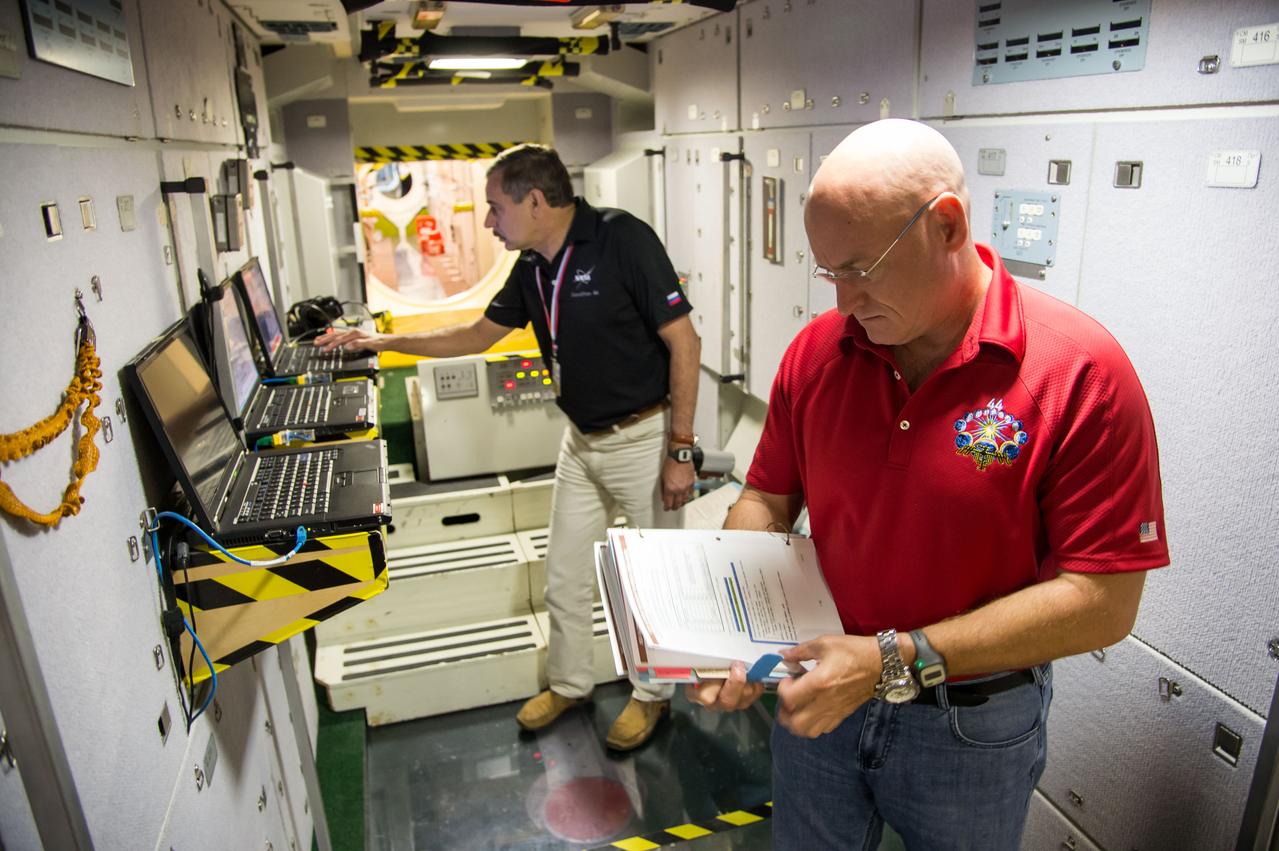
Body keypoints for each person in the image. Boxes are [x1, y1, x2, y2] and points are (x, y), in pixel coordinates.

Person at [686, 119, 1169, 849]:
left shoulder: (1078, 373)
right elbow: (766, 497)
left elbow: (1102, 601)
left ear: (945, 225)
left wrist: (888, 659)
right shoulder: (818, 354)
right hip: (820, 692)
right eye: (828, 273)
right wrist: (738, 627)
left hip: (967, 721)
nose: (842, 301)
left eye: (861, 268)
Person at [319, 144, 700, 750]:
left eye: (496, 208)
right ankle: (572, 683)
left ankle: (653, 696)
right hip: (581, 443)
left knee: (648, 582)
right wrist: (377, 344)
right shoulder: (531, 269)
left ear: (536, 201)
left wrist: (682, 449)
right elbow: (474, 335)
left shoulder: (623, 240)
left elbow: (685, 342)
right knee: (565, 576)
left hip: (645, 440)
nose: (490, 221)